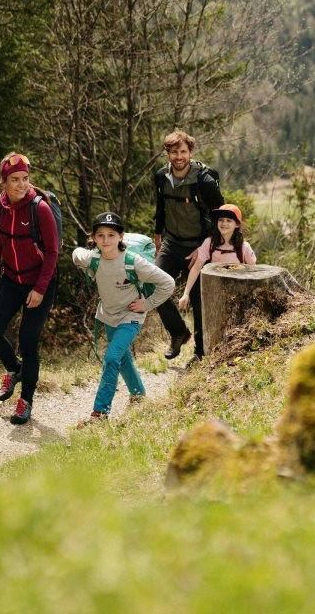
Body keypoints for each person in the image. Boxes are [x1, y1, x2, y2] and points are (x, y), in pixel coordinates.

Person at [72, 212, 175, 423]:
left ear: (121, 237)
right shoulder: (93, 258)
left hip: (131, 317)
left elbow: (168, 283)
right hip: (108, 317)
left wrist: (146, 304)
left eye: (111, 235)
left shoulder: (133, 262)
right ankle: (138, 396)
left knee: (111, 359)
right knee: (123, 357)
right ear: (94, 238)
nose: (106, 240)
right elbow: (76, 254)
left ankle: (99, 414)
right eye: (100, 235)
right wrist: (82, 255)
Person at [0, 153, 60, 425]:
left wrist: (39, 288)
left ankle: (25, 400)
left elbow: (52, 252)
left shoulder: (40, 209)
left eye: (25, 179)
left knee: (28, 341)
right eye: (15, 180)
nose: (21, 185)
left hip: (41, 282)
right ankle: (15, 371)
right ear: (3, 181)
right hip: (11, 281)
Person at [151, 128, 224, 360]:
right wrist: (157, 233)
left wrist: (205, 248)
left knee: (198, 300)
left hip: (199, 246)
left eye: (183, 151)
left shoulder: (204, 181)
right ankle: (179, 333)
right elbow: (161, 207)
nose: (178, 157)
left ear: (190, 152)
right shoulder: (162, 177)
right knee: (155, 287)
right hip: (172, 243)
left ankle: (201, 354)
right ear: (168, 154)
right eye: (173, 152)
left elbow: (221, 217)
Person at [176, 204, 257, 358]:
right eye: (221, 220)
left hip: (237, 295)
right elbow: (196, 268)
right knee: (205, 323)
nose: (224, 223)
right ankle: (202, 355)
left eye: (229, 220)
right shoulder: (209, 243)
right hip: (212, 293)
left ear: (237, 224)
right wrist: (185, 293)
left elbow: (253, 272)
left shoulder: (244, 247)